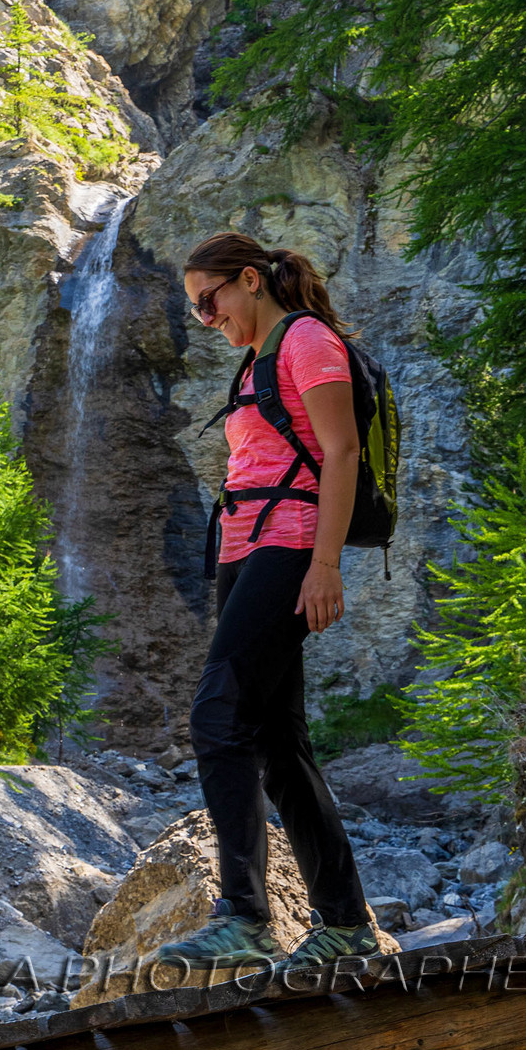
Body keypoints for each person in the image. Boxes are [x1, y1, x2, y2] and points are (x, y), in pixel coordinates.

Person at [163, 231, 376, 982]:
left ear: (249, 280)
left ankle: (246, 918)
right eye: (195, 309)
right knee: (279, 744)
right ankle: (346, 925)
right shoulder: (257, 360)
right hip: (243, 551)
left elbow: (341, 451)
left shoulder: (307, 340)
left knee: (216, 717)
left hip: (290, 547)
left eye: (209, 300)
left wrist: (324, 564)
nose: (205, 316)